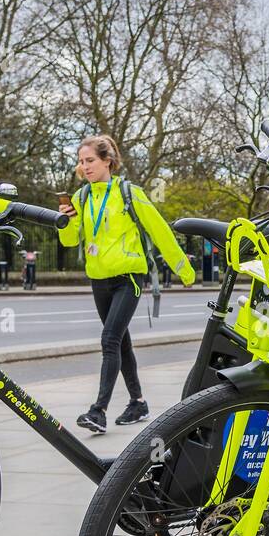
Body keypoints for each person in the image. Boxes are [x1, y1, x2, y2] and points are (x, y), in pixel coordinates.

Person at [58, 135, 195, 433]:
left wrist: (184, 270)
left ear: (107, 160)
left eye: (90, 160)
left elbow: (160, 231)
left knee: (109, 340)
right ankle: (138, 403)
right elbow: (71, 240)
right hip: (99, 279)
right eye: (81, 162)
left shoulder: (129, 193)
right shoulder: (81, 198)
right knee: (121, 341)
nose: (84, 167)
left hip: (129, 277)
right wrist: (67, 221)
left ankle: (98, 410)